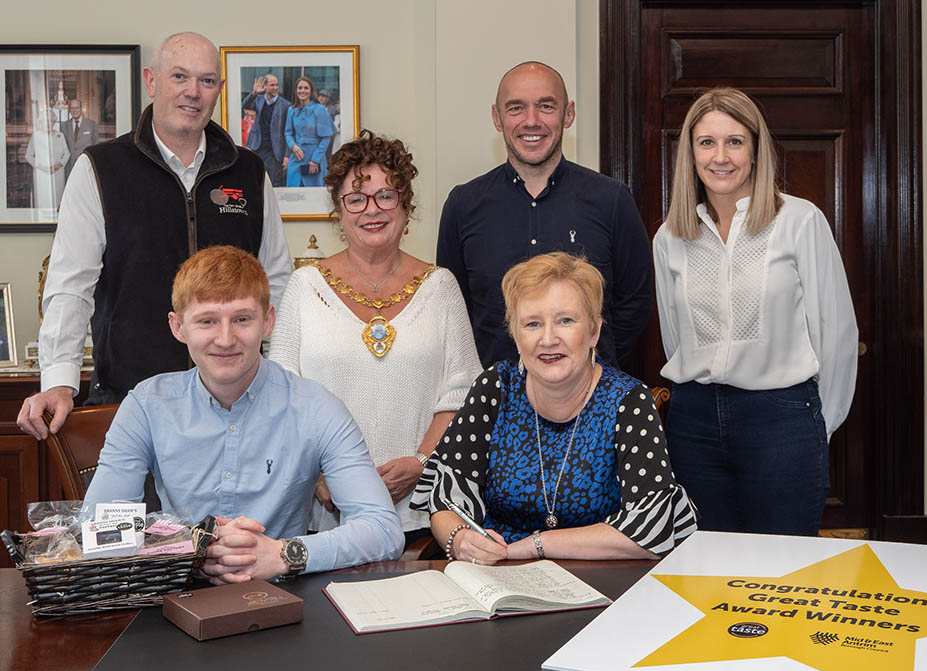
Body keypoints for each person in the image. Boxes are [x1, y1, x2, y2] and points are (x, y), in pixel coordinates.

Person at [17, 32, 291, 441]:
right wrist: (59, 379)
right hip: (132, 404)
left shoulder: (249, 171)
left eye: (206, 81)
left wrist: (283, 377)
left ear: (219, 89)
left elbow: (277, 282)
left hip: (241, 410)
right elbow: (70, 286)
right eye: (179, 76)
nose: (192, 93)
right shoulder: (100, 168)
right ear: (151, 80)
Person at [84, 246, 404, 582]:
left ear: (268, 322)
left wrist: (285, 553)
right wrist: (192, 547)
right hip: (175, 594)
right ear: (178, 327)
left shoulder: (317, 407)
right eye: (207, 321)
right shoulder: (147, 405)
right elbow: (98, 531)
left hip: (284, 594)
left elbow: (382, 530)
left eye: (241, 319)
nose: (225, 339)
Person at [652, 87, 858, 536]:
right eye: (707, 142)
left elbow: (837, 335)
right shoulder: (670, 237)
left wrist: (817, 425)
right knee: (707, 570)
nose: (720, 156)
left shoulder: (800, 221)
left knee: (782, 571)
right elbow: (675, 337)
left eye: (735, 141)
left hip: (781, 420)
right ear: (689, 152)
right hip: (694, 424)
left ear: (756, 150)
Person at [411, 252, 697, 564]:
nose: (548, 339)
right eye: (532, 324)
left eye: (565, 321)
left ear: (594, 331)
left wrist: (535, 545)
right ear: (516, 336)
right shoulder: (495, 389)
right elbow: (445, 501)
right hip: (499, 576)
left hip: (602, 579)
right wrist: (461, 538)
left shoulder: (629, 401)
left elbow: (652, 528)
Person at [270, 130, 481, 545]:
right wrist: (316, 475)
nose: (372, 209)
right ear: (338, 208)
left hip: (425, 517)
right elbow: (280, 400)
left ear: (406, 206)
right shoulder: (305, 286)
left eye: (387, 195)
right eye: (356, 198)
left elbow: (463, 395)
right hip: (326, 519)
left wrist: (421, 463)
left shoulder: (440, 286)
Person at [436, 61, 652, 371]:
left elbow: (635, 305)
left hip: (592, 399)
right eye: (516, 108)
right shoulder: (463, 205)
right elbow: (454, 312)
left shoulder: (612, 201)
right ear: (497, 118)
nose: (532, 121)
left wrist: (589, 366)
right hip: (496, 403)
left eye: (546, 106)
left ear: (569, 114)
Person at [284, 76, 334, 188]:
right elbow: (288, 133)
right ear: (296, 91)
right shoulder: (291, 110)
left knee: (314, 197)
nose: (302, 91)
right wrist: (293, 146)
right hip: (296, 157)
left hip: (314, 158)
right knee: (293, 195)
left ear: (311, 91)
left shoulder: (320, 109)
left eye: (306, 88)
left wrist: (315, 160)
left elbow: (326, 138)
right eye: (300, 88)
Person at [242, 74, 291, 186]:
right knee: (255, 181)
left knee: (273, 183)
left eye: (277, 85)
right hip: (257, 147)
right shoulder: (258, 100)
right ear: (265, 87)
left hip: (274, 151)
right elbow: (245, 105)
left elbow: (287, 131)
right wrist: (254, 93)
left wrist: (287, 155)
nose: (275, 88)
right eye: (272, 85)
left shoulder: (285, 105)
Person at [25, 109, 71, 210]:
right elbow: (28, 156)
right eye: (46, 121)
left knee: (57, 197)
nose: (49, 123)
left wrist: (59, 165)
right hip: (41, 173)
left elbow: (67, 154)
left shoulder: (60, 135)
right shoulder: (36, 136)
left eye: (51, 120)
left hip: (58, 172)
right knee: (43, 198)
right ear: (41, 122)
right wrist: (42, 167)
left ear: (54, 122)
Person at [60, 99, 100, 179]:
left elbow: (95, 145)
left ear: (81, 108)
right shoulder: (64, 126)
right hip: (69, 166)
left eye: (77, 108)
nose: (74, 110)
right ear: (69, 110)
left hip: (86, 164)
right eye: (72, 108)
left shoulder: (92, 124)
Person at [317, 89, 340, 164]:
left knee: (328, 156)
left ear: (328, 99)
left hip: (329, 137)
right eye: (320, 96)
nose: (321, 98)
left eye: (323, 96)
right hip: (317, 136)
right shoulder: (315, 108)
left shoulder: (332, 109)